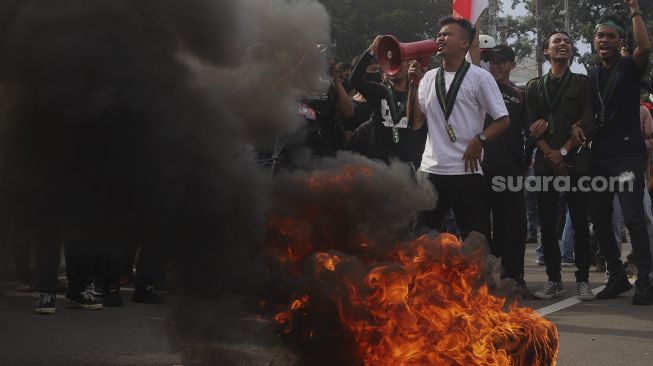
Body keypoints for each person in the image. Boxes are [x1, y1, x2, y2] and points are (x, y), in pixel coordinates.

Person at [408, 17, 509, 240]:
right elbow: (416, 121)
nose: (440, 38)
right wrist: (413, 86)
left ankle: (478, 276)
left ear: (464, 43)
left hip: (467, 172)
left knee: (475, 237)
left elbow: (503, 119)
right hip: (430, 170)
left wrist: (480, 139)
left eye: (447, 34)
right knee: (420, 237)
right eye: (439, 34)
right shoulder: (428, 78)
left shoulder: (479, 77)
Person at [589, 1, 653, 305]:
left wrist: (634, 11)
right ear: (594, 42)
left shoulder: (629, 67)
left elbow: (644, 46)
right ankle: (616, 276)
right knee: (600, 220)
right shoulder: (590, 75)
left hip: (626, 157)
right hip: (598, 157)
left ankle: (645, 279)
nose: (604, 40)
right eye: (600, 36)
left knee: (633, 218)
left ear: (620, 42)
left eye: (610, 36)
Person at [524, 31, 595, 300]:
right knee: (547, 224)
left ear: (572, 50)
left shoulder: (582, 83)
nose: (563, 44)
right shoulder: (533, 87)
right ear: (546, 51)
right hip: (545, 165)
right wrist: (550, 154)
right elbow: (530, 126)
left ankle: (583, 280)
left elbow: (588, 121)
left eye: (567, 42)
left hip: (576, 163)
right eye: (556, 42)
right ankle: (554, 279)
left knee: (578, 221)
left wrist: (563, 151)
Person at [480, 44, 531, 294]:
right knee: (480, 227)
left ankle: (516, 277)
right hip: (479, 167)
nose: (496, 65)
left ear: (513, 64)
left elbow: (529, 130)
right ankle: (489, 280)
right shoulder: (477, 87)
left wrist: (525, 161)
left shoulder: (519, 94)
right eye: (492, 61)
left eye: (502, 61)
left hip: (510, 169)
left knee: (515, 225)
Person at [350, 37, 427, 169]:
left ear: (409, 65)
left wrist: (418, 82)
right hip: (378, 167)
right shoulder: (378, 91)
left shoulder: (420, 94)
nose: (394, 65)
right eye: (389, 61)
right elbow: (355, 80)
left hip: (408, 167)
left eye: (400, 61)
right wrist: (371, 51)